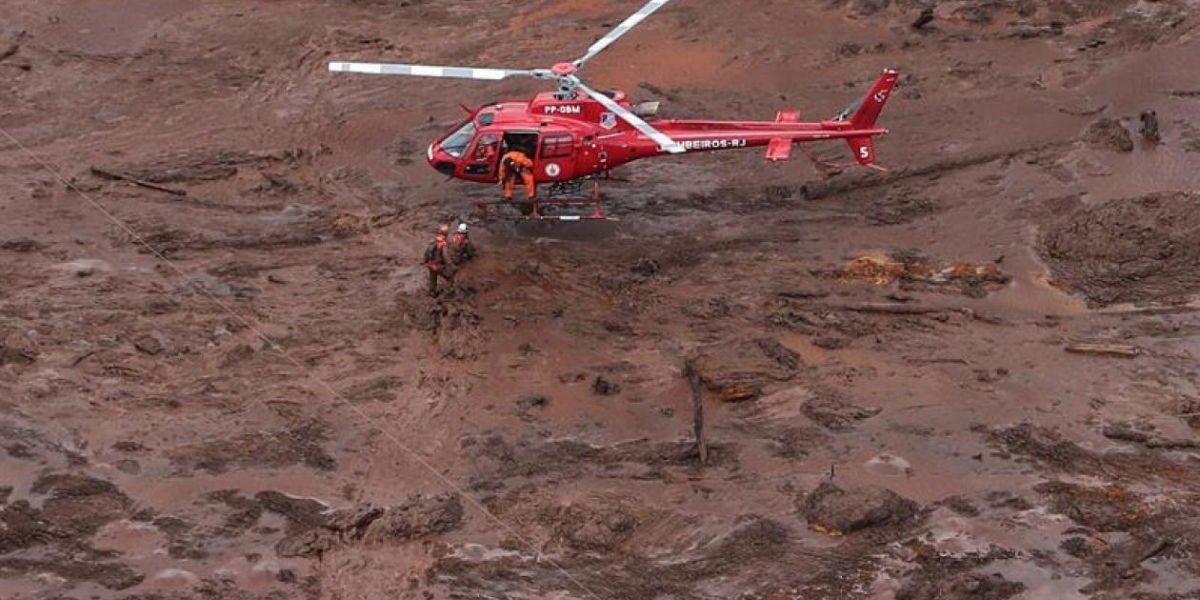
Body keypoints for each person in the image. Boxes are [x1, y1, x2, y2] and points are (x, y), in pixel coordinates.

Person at [422, 223, 456, 296]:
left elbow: (427, 252)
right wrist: (452, 266)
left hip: (430, 264)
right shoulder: (443, 244)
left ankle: (432, 292)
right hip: (438, 266)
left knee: (433, 279)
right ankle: (449, 293)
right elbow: (446, 257)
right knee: (450, 277)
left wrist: (425, 261)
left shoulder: (433, 241)